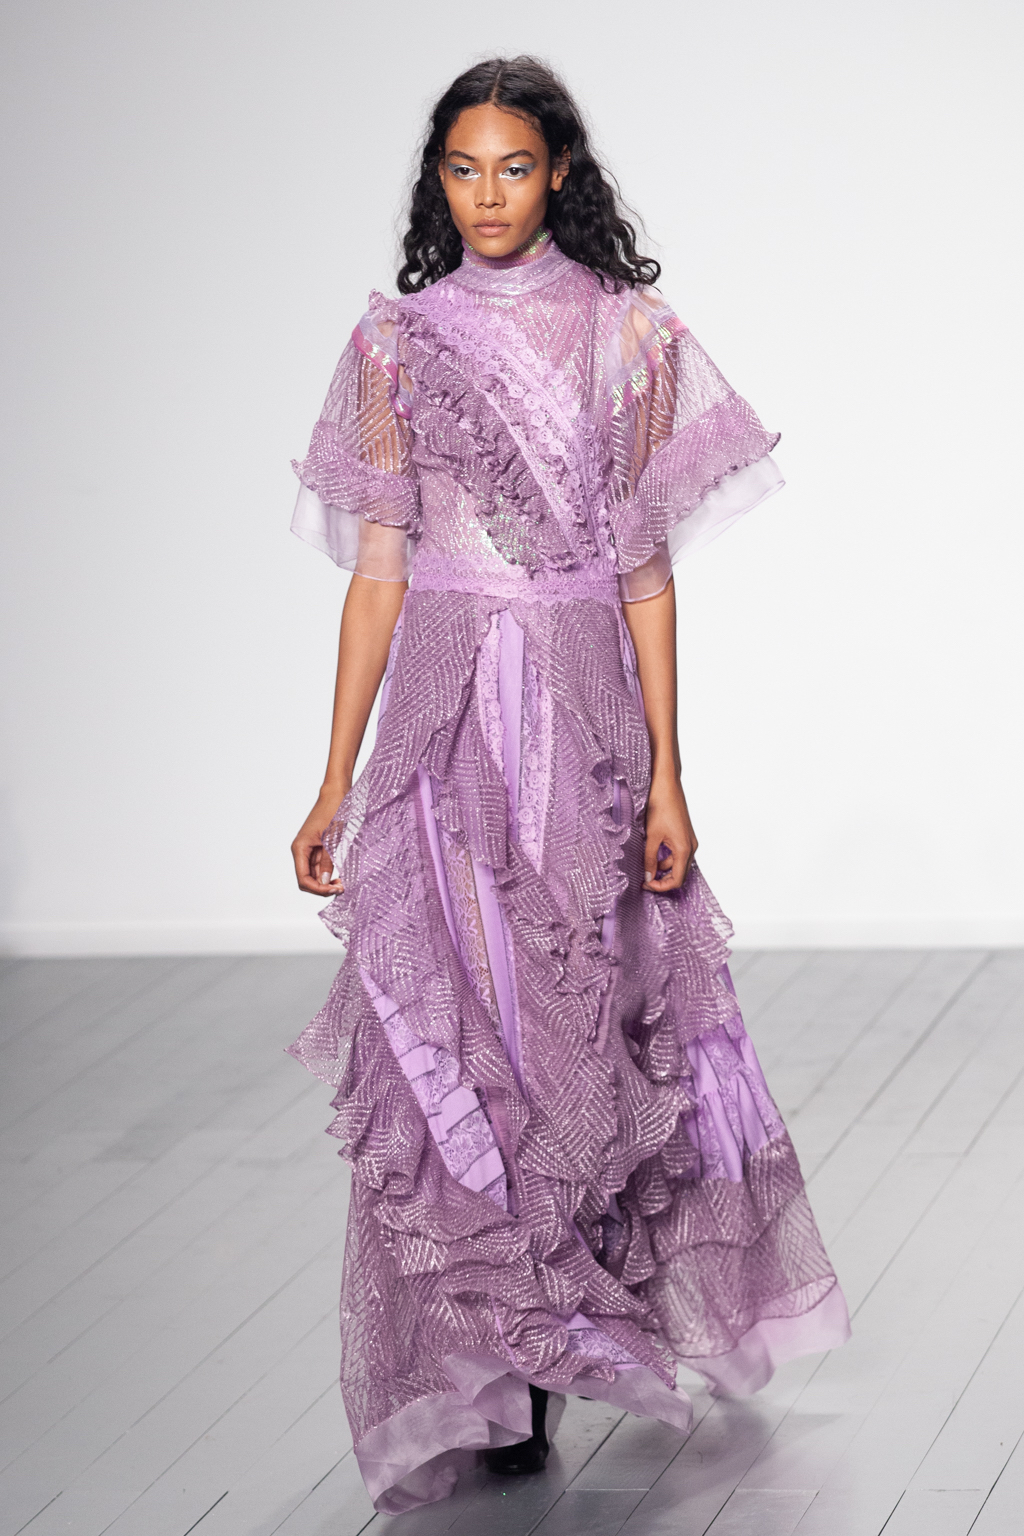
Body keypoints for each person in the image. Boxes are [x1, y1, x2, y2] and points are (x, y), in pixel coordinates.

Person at [288, 55, 849, 1516]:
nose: (488, 195)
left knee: (582, 1026)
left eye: (515, 168)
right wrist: (332, 779)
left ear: (560, 176)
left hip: (582, 719)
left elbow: (648, 575)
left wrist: (670, 779)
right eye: (462, 169)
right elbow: (378, 576)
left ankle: (572, 1325)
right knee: (454, 1031)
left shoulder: (628, 338)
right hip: (441, 722)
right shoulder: (394, 343)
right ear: (438, 182)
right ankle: (498, 1370)